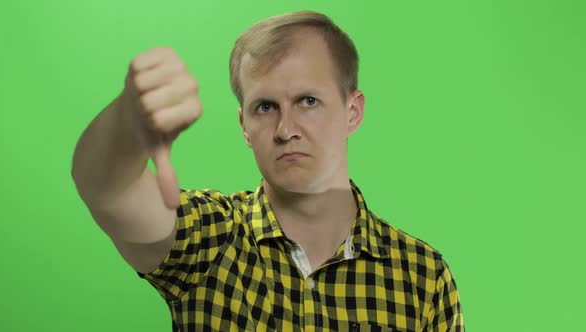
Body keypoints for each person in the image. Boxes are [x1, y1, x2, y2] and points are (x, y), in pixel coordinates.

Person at [71, 10, 464, 332]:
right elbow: (107, 189)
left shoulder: (422, 276)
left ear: (352, 111)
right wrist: (128, 120)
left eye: (308, 101)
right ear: (244, 124)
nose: (286, 129)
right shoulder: (209, 238)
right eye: (265, 107)